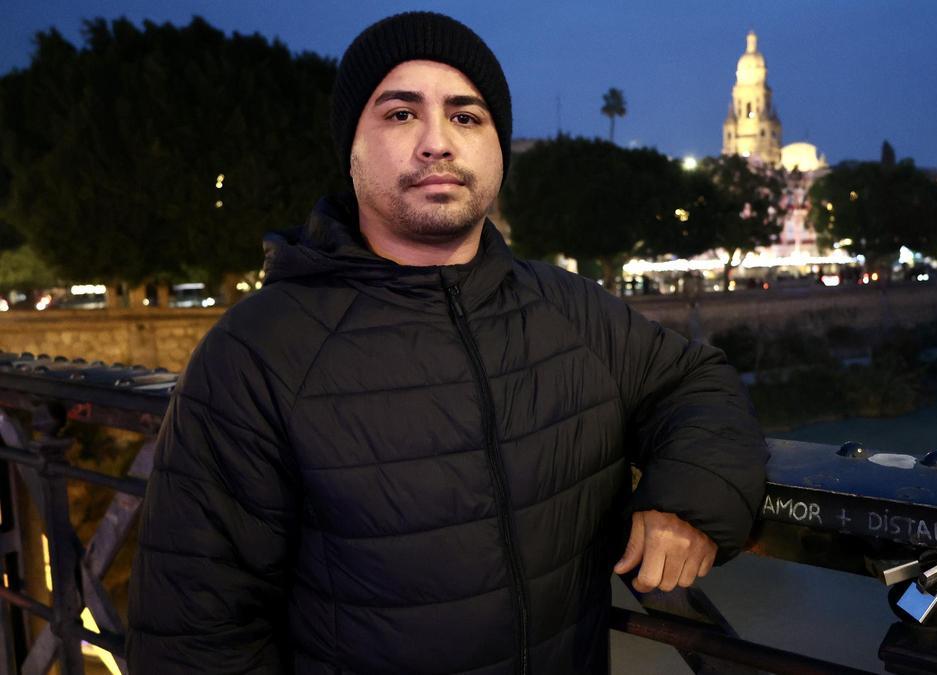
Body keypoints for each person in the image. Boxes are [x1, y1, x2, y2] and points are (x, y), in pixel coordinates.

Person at [128, 11, 767, 674]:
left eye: (466, 117)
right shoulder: (254, 354)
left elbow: (697, 382)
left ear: (496, 147)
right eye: (401, 114)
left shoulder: (570, 310)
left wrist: (687, 498)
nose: (438, 141)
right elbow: (193, 638)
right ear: (350, 150)